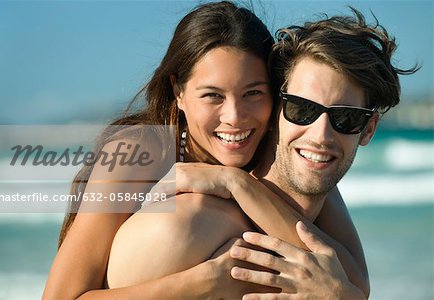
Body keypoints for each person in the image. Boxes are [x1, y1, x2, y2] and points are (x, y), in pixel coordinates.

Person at [42, 2, 371, 299]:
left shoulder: (283, 150)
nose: (235, 117)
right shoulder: (139, 151)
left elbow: (353, 285)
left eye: (253, 93)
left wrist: (236, 183)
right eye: (213, 96)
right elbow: (60, 297)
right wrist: (205, 281)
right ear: (179, 92)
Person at [106, 6, 419, 299]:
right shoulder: (183, 226)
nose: (321, 135)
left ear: (368, 129)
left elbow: (357, 288)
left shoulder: (320, 211)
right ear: (276, 112)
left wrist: (236, 183)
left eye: (346, 118)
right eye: (302, 109)